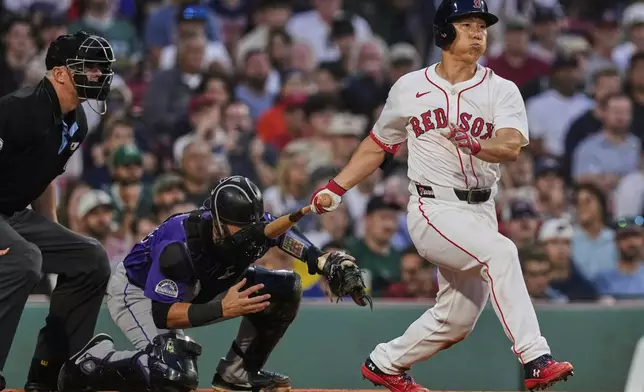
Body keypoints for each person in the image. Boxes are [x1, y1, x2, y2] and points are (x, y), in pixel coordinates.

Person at [308, 1, 574, 391]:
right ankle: (536, 357)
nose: (477, 32)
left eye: (482, 25)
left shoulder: (501, 89)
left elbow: (511, 145)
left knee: (456, 320)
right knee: (501, 253)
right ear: (443, 33)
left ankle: (385, 362)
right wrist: (335, 187)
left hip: (481, 209)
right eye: (466, 24)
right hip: (433, 207)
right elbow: (379, 144)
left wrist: (477, 145)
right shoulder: (410, 87)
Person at [57, 175, 370, 392]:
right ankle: (93, 362)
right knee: (172, 374)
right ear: (218, 222)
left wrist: (320, 261)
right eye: (240, 226)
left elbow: (282, 235)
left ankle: (237, 375)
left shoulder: (252, 224)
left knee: (286, 286)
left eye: (255, 224)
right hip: (140, 292)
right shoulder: (180, 245)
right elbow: (163, 314)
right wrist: (223, 308)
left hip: (204, 283)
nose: (251, 233)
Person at [0, 31, 114, 391]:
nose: (98, 75)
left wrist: (52, 233)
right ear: (61, 73)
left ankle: (52, 376)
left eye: (101, 69)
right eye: (89, 67)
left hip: (14, 215)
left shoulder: (76, 121)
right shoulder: (17, 110)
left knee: (90, 257)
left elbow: (45, 175)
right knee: (23, 259)